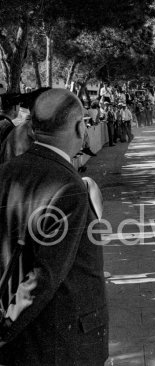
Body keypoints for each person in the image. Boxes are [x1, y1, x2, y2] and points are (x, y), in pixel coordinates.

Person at [0, 88, 108, 365]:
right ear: (79, 126)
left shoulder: (6, 172)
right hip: (63, 343)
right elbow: (44, 275)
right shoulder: (69, 185)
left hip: (24, 342)